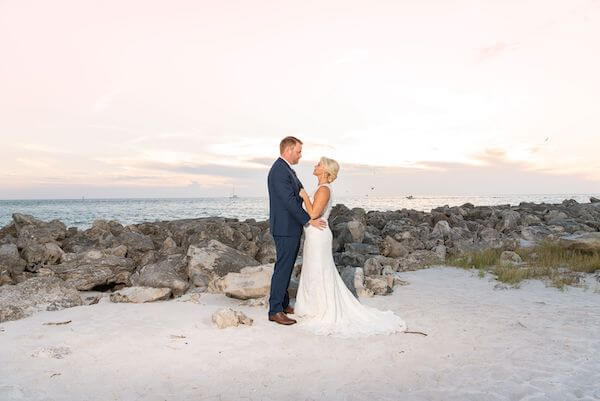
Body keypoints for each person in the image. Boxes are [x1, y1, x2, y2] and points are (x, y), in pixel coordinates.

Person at [295, 157, 407, 337]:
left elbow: (314, 213)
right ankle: (312, 306)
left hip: (318, 235)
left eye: (319, 164)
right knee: (314, 271)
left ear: (325, 171)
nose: (315, 165)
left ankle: (320, 309)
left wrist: (303, 197)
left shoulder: (324, 189)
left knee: (319, 271)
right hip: (313, 234)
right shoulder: (321, 188)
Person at [266, 136, 326, 325]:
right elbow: (289, 201)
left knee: (286, 267)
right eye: (299, 151)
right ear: (288, 150)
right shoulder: (279, 171)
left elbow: (299, 192)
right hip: (284, 228)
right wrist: (308, 220)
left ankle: (282, 304)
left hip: (289, 226)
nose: (300, 155)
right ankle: (275, 310)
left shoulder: (286, 170)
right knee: (283, 268)